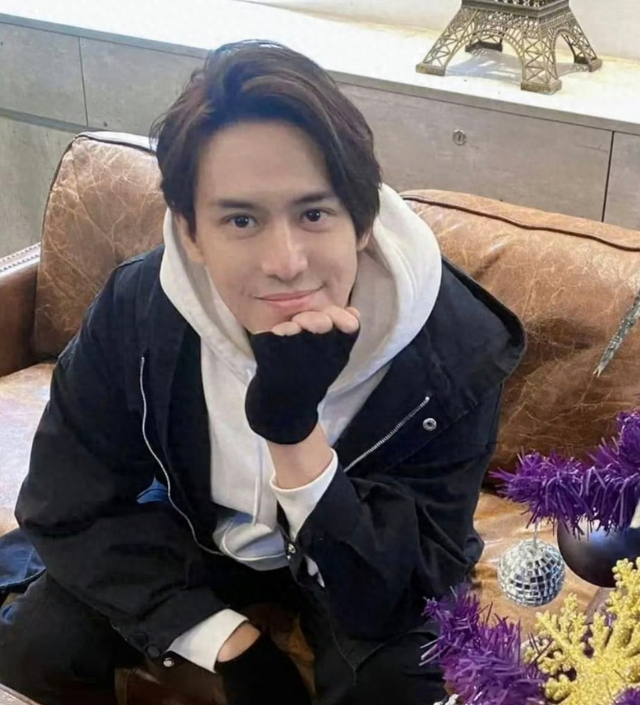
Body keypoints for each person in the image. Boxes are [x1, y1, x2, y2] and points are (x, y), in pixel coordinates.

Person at [0, 39, 524, 705]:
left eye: (314, 213)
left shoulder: (456, 347)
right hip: (200, 536)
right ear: (191, 232)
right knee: (37, 638)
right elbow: (63, 504)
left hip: (355, 559)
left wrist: (291, 427)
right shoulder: (142, 309)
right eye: (241, 219)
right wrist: (222, 640)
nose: (285, 262)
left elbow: (399, 590)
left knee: (392, 687)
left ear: (363, 219)